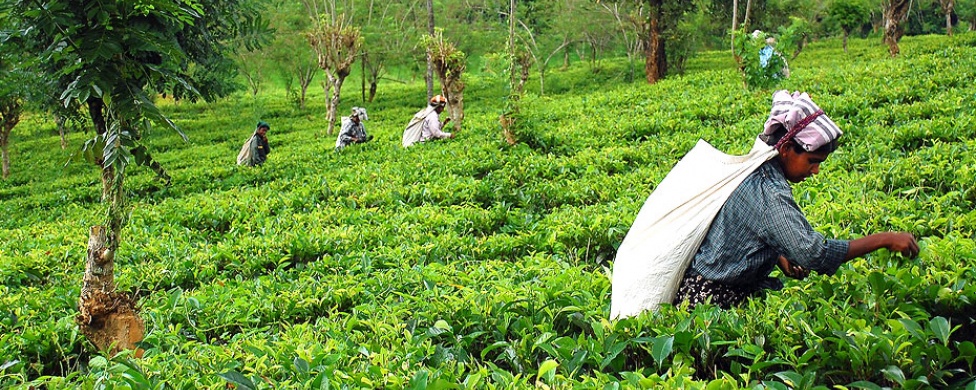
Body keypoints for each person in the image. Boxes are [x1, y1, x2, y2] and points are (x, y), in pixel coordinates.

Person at [672, 91, 919, 310]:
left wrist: (779, 255)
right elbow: (813, 253)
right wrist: (884, 239)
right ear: (787, 148)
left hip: (707, 290)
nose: (816, 171)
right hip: (711, 302)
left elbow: (743, 228)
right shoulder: (769, 191)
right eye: (813, 162)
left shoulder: (755, 169)